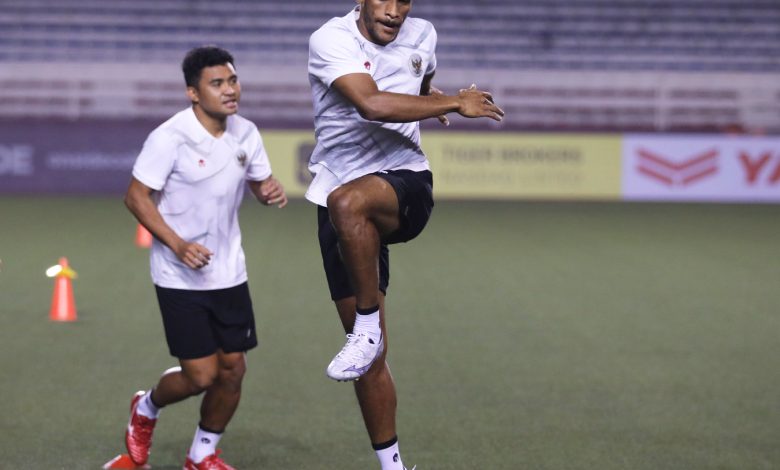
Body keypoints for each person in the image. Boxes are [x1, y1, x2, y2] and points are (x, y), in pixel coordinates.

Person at [306, 1, 504, 469]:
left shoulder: (423, 34)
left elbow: (419, 78)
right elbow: (372, 103)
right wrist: (448, 102)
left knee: (347, 202)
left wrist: (437, 96)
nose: (395, 10)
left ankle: (367, 329)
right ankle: (393, 467)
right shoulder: (330, 40)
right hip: (338, 193)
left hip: (405, 182)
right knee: (368, 361)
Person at [122, 45, 287, 470]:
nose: (230, 90)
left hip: (229, 271)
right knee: (201, 376)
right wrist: (177, 244)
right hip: (179, 274)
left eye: (232, 80)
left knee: (232, 369)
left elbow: (259, 181)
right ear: (193, 93)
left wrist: (268, 192)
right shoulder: (169, 137)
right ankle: (146, 407)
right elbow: (136, 198)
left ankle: (201, 455)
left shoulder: (246, 133)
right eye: (217, 84)